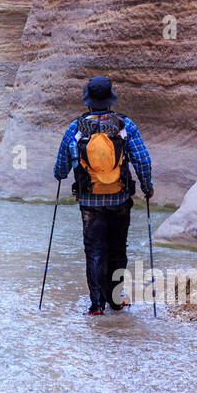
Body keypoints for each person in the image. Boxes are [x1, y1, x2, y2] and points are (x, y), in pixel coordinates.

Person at [53, 76, 154, 315]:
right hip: (119, 199)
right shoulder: (124, 125)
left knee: (95, 251)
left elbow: (61, 167)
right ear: (110, 101)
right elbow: (143, 160)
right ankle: (115, 300)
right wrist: (147, 186)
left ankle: (96, 305)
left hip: (89, 202)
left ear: (87, 101)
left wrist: (60, 174)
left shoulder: (75, 128)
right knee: (118, 249)